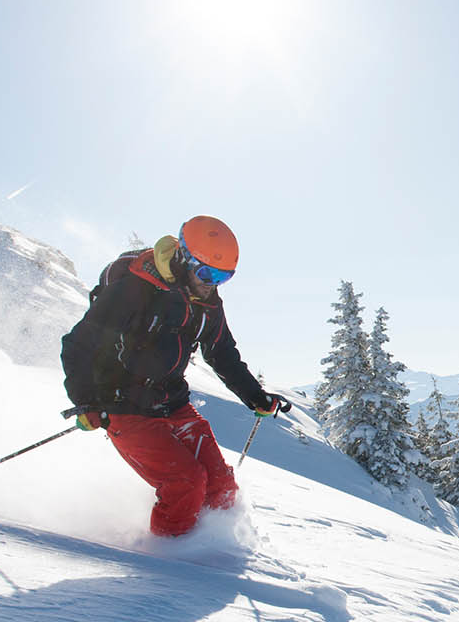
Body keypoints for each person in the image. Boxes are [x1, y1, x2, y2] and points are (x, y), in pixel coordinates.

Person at [60, 215, 290, 537]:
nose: (211, 284)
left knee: (221, 484)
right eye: (206, 272)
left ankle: (216, 553)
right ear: (183, 257)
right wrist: (85, 401)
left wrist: (256, 397)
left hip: (172, 402)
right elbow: (78, 344)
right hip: (123, 404)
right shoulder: (135, 290)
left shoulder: (207, 304)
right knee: (185, 482)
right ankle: (173, 568)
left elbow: (221, 353)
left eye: (223, 277)